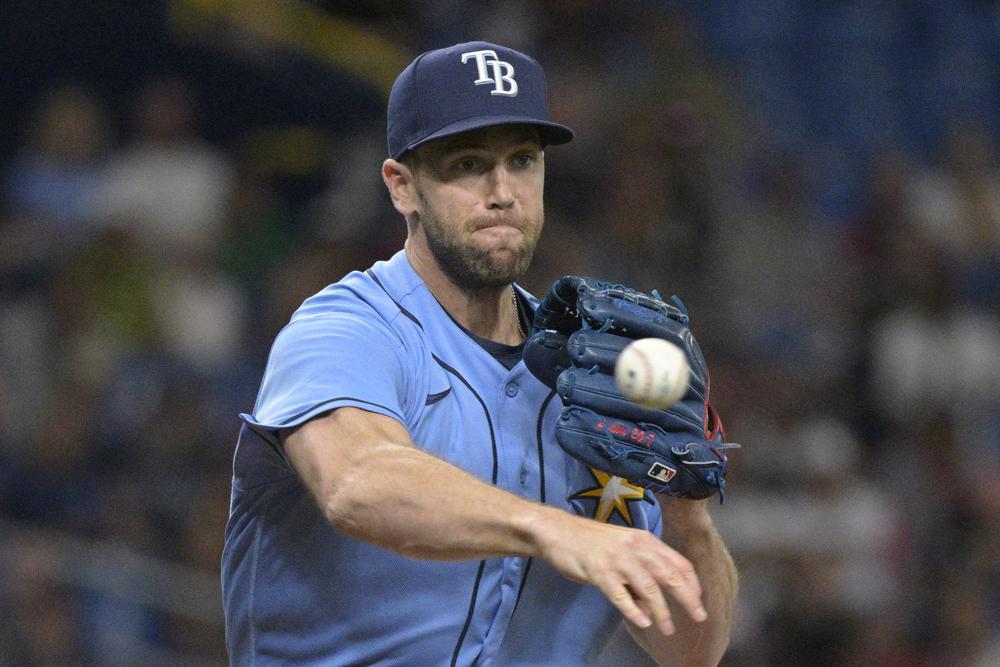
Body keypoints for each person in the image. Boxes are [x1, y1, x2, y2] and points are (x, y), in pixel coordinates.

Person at [222, 41, 737, 666]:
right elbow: (356, 484)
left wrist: (689, 520)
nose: (502, 191)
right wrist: (553, 529)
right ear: (402, 187)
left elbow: (692, 653)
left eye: (522, 159)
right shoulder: (347, 330)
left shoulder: (592, 372)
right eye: (467, 164)